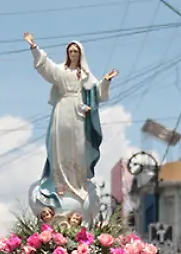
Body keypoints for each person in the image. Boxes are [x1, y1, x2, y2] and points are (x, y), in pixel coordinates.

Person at [23, 32, 117, 211]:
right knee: (59, 145)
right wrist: (34, 48)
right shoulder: (61, 71)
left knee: (78, 146)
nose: (73, 54)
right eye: (70, 51)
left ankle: (77, 183)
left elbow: (96, 92)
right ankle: (59, 184)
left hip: (78, 113)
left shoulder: (85, 75)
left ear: (80, 54)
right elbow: (46, 67)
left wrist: (106, 80)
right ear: (67, 54)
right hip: (62, 110)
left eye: (76, 52)